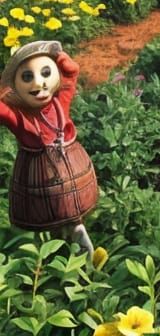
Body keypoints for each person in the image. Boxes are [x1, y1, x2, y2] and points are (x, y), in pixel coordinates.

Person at [0, 40, 98, 254]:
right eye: (27, 77)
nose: (38, 83)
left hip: (70, 164)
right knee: (43, 211)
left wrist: (66, 64)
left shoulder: (58, 105)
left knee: (71, 204)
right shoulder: (20, 118)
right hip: (36, 171)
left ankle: (74, 232)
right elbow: (3, 112)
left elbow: (69, 81)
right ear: (15, 85)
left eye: (46, 73)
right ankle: (46, 248)